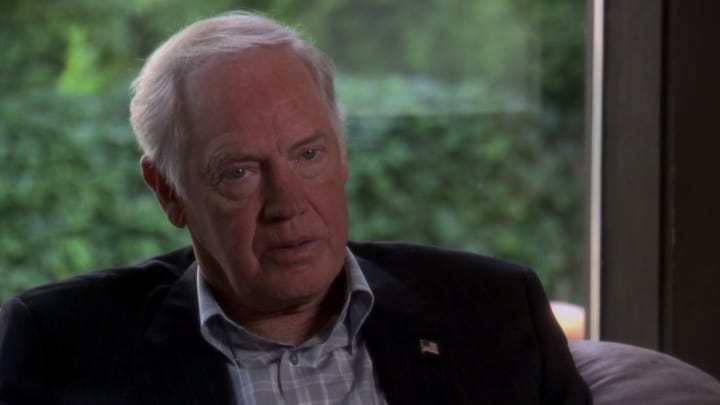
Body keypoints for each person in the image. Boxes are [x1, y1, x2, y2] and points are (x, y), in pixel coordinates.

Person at [0, 11, 591, 404]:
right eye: (239, 171)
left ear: (343, 154)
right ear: (168, 192)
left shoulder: (496, 311)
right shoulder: (59, 346)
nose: (287, 204)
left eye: (308, 154)